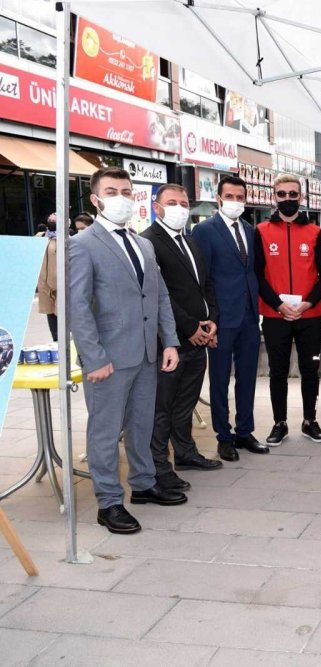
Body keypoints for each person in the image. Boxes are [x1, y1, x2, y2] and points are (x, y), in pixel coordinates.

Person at [69, 167, 184, 534]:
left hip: (147, 353)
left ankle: (144, 484)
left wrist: (170, 341)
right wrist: (94, 358)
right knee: (105, 432)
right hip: (108, 358)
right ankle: (108, 502)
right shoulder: (82, 244)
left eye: (126, 191)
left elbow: (159, 295)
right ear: (95, 199)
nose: (121, 198)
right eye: (112, 191)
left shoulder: (142, 243)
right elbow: (77, 306)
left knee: (141, 424)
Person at [142, 184, 224, 491]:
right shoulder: (148, 242)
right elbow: (159, 295)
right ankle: (158, 467)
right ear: (157, 207)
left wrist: (212, 320)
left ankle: (186, 453)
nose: (179, 208)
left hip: (199, 338)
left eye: (184, 202)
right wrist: (190, 328)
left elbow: (205, 285)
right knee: (162, 407)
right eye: (172, 202)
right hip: (171, 341)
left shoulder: (190, 241)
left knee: (186, 402)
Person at [191, 175, 268, 462]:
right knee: (220, 380)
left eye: (240, 197)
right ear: (219, 199)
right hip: (221, 319)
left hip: (249, 316)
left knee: (247, 377)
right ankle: (223, 436)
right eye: (230, 197)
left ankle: (244, 431)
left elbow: (251, 271)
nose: (235, 202)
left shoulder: (249, 229)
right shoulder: (205, 231)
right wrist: (209, 319)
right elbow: (203, 279)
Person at [255, 174, 321, 446]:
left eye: (292, 194)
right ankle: (280, 423)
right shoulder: (261, 231)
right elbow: (257, 275)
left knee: (310, 370)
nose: (287, 198)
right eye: (282, 194)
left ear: (301, 197)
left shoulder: (315, 233)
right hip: (275, 316)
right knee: (277, 371)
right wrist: (278, 304)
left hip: (309, 316)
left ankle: (310, 421)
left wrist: (309, 302)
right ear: (274, 196)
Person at [36, 215, 58, 341]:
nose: (51, 220)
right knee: (50, 311)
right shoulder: (41, 237)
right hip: (44, 283)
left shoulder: (67, 239)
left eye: (54, 219)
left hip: (61, 282)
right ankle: (56, 340)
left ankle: (66, 342)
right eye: (50, 219)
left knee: (61, 312)